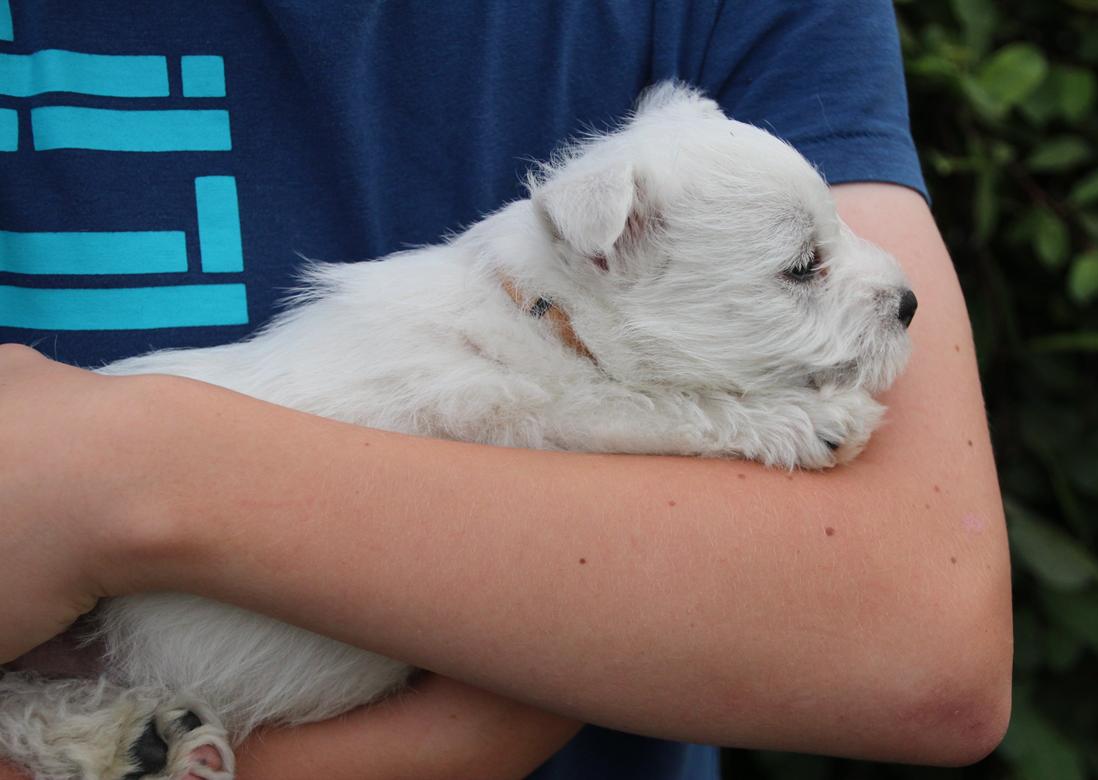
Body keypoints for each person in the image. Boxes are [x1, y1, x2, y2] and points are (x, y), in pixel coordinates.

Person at [0, 1, 1013, 778]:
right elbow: (533, 435)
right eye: (804, 272)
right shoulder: (468, 342)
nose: (881, 284)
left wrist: (123, 474)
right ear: (617, 251)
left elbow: (931, 648)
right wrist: (749, 431)